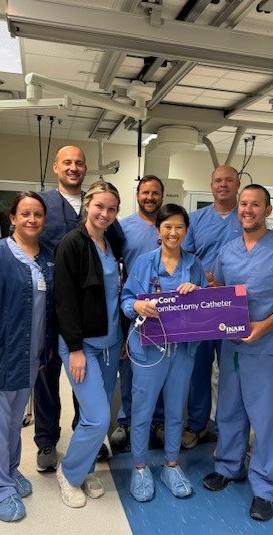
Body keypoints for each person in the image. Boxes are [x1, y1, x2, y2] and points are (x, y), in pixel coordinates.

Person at [202, 184, 273, 521]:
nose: (248, 210)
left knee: (267, 418)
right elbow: (218, 287)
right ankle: (228, 466)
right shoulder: (228, 250)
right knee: (229, 408)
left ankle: (265, 487)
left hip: (266, 345)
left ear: (268, 210)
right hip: (231, 343)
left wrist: (264, 325)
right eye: (243, 204)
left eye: (255, 205)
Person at [0, 192, 54, 522]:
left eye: (38, 214)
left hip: (30, 358)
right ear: (12, 218)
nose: (32, 219)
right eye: (25, 214)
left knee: (14, 423)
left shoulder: (46, 258)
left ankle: (10, 471)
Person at [34, 145, 123, 472]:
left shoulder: (107, 227)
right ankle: (46, 439)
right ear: (56, 166)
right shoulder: (43, 205)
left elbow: (119, 261)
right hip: (50, 305)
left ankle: (85, 437)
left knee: (88, 391)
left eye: (79, 163)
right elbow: (24, 240)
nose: (73, 167)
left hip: (96, 322)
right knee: (47, 376)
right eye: (67, 162)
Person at [121, 203, 208, 502]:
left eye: (179, 227)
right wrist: (136, 306)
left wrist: (198, 293)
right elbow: (126, 299)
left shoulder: (194, 265)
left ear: (186, 231)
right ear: (158, 230)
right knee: (142, 411)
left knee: (175, 410)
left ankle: (171, 464)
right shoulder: (145, 263)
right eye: (167, 226)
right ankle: (141, 467)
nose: (173, 232)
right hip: (148, 349)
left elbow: (207, 305)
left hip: (182, 351)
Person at [53, 180, 125, 508]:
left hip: (111, 343)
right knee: (96, 416)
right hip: (82, 346)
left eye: (111, 209)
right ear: (87, 205)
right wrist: (76, 348)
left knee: (96, 417)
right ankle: (68, 474)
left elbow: (117, 295)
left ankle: (82, 470)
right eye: (99, 206)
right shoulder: (73, 243)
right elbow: (64, 300)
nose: (105, 214)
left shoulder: (112, 243)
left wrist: (121, 336)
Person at [181, 164, 242, 449]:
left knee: (231, 370)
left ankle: (229, 432)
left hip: (234, 303)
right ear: (211, 185)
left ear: (237, 184)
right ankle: (196, 425)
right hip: (203, 302)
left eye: (229, 180)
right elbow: (186, 258)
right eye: (218, 180)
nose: (223, 185)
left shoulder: (246, 219)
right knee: (199, 367)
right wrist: (204, 278)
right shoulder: (195, 220)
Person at [110, 174, 165, 452]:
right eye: (145, 192)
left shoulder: (168, 226)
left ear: (162, 197)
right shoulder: (123, 227)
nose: (150, 197)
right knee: (130, 365)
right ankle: (128, 420)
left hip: (167, 310)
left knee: (162, 366)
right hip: (133, 306)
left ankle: (158, 420)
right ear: (138, 195)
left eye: (155, 193)